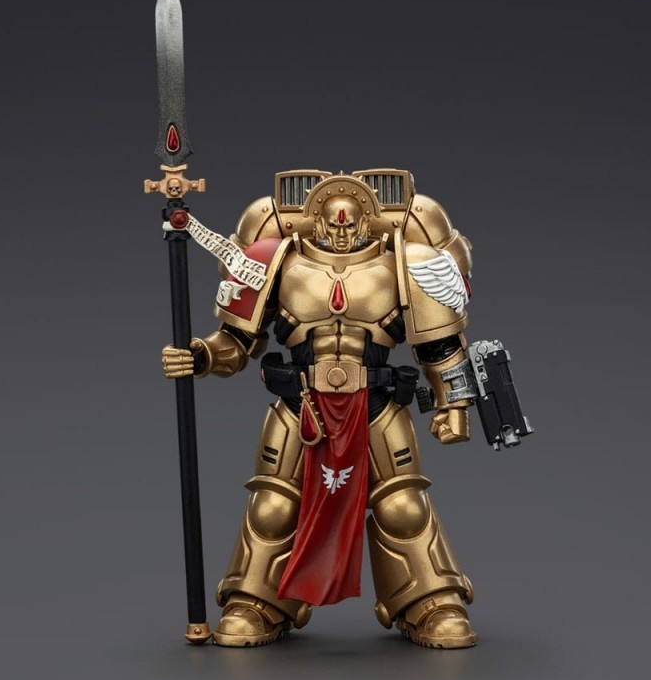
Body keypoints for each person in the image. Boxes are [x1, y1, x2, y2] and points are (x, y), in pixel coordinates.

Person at [162, 169, 478, 648]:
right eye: (333, 223)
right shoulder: (274, 260)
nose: (342, 232)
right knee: (272, 508)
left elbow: (441, 347)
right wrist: (202, 355)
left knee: (403, 507)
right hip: (299, 407)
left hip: (376, 406)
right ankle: (257, 601)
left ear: (369, 219)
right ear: (315, 219)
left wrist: (454, 404)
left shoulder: (405, 260)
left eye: (351, 224)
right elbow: (236, 342)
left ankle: (429, 601)